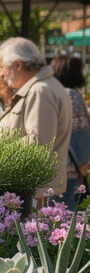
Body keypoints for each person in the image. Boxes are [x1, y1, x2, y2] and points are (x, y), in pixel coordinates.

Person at [0, 37, 72, 200]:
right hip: (36, 190)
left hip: (36, 193)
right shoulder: (41, 87)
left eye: (2, 67)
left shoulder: (40, 91)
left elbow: (37, 143)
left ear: (18, 65)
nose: (1, 74)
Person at [50, 55, 90, 210]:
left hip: (54, 168)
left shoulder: (54, 94)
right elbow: (79, 132)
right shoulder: (71, 96)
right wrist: (82, 163)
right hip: (69, 169)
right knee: (66, 218)